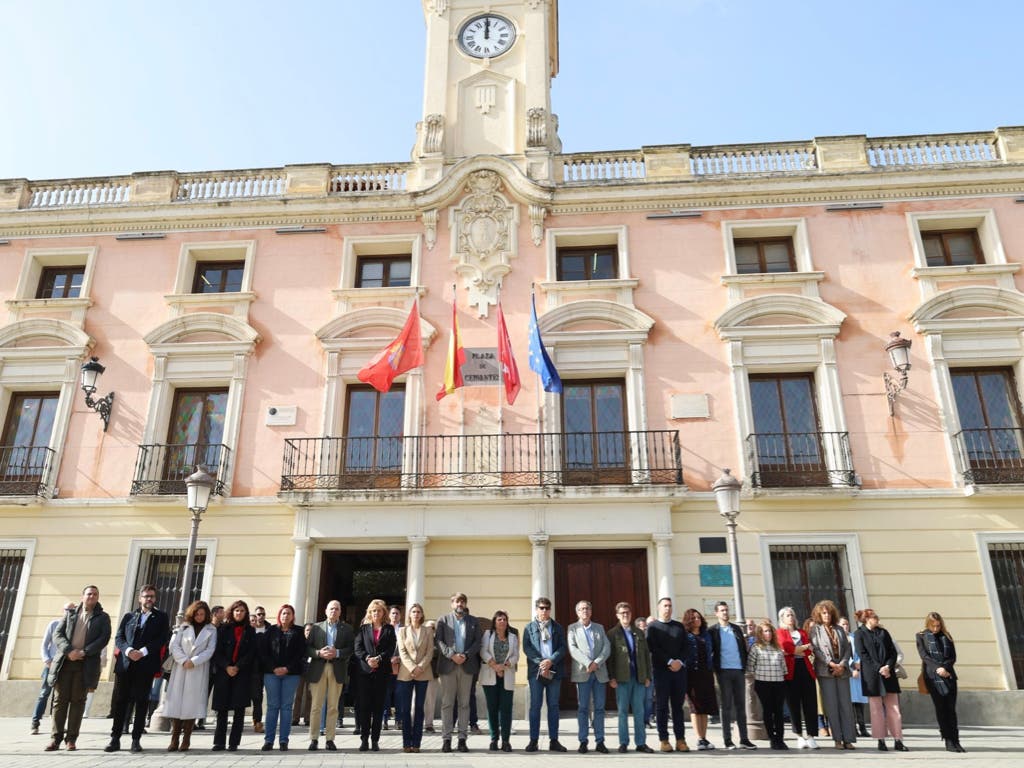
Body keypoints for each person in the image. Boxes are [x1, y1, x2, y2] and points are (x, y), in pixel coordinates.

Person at [105, 584, 170, 753]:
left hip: (146, 665)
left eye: (152, 596)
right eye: (146, 596)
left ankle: (136, 739)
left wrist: (143, 652)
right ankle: (115, 738)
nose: (149, 599)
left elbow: (162, 638)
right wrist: (128, 651)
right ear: (140, 598)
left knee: (141, 702)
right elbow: (119, 637)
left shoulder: (161, 617)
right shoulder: (129, 616)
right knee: (121, 701)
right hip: (126, 665)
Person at [46, 586, 111, 751]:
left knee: (78, 701)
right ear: (83, 596)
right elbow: (57, 634)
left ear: (98, 597)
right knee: (59, 701)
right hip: (65, 662)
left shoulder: (103, 617)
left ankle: (71, 739)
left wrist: (84, 652)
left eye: (95, 594)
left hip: (85, 665)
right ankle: (55, 739)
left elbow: (104, 638)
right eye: (89, 593)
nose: (92, 596)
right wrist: (69, 651)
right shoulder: (70, 614)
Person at [163, 600, 216, 752]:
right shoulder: (184, 627)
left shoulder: (211, 629)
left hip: (197, 670)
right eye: (197, 614)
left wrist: (194, 661)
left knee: (191, 706)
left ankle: (186, 739)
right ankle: (174, 739)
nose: (199, 617)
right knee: (176, 704)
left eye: (202, 614)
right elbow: (175, 646)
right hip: (181, 669)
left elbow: (210, 650)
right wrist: (183, 660)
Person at [852, 608, 906, 752]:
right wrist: (879, 668)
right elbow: (862, 654)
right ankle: (881, 740)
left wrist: (888, 666)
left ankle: (898, 740)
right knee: (876, 710)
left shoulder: (884, 632)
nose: (877, 619)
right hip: (872, 676)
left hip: (888, 674)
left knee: (894, 709)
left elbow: (893, 652)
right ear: (867, 619)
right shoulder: (859, 634)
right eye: (874, 617)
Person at [435, 591, 482, 753]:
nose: (459, 604)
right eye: (457, 601)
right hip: (448, 666)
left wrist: (466, 655)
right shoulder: (443, 620)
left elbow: (478, 642)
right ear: (452, 604)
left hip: (467, 666)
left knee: (464, 704)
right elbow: (438, 641)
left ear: (465, 604)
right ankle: (446, 739)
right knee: (447, 703)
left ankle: (462, 739)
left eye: (462, 601)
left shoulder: (473, 621)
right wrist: (452, 655)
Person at [305, 599, 354, 751]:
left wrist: (337, 652)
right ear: (326, 611)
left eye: (337, 609)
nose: (334, 611)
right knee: (316, 706)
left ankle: (330, 739)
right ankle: (314, 739)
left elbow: (351, 649)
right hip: (318, 668)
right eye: (331, 608)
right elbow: (307, 648)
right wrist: (319, 653)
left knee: (333, 706)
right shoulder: (316, 628)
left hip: (336, 668)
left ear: (340, 612)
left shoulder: (347, 629)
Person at [522, 596, 568, 752]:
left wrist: (551, 661)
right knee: (535, 706)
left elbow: (563, 647)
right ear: (536, 609)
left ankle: (554, 740)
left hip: (554, 671)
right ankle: (533, 741)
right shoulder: (529, 628)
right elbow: (527, 648)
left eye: (547, 608)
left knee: (553, 706)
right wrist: (541, 662)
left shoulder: (557, 627)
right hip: (536, 672)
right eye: (541, 608)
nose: (544, 611)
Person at [809, 599, 856, 749]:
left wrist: (842, 664)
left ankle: (848, 739)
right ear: (819, 615)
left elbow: (848, 649)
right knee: (832, 706)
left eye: (829, 613)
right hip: (826, 671)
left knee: (846, 705)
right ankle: (837, 739)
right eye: (824, 613)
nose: (827, 615)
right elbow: (816, 649)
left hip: (842, 670)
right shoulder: (815, 630)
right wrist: (830, 663)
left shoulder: (839, 629)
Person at [647, 596, 692, 752]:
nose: (668, 608)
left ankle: (680, 740)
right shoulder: (652, 627)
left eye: (670, 606)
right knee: (662, 707)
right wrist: (669, 661)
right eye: (665, 606)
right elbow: (653, 648)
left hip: (679, 672)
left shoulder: (679, 627)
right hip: (661, 671)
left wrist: (679, 661)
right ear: (659, 608)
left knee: (678, 707)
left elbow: (686, 647)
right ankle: (664, 740)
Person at [607, 601, 653, 753]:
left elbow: (646, 655)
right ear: (617, 615)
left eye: (627, 612)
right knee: (622, 712)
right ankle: (623, 742)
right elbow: (610, 658)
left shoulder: (639, 632)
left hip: (639, 677)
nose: (625, 615)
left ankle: (641, 743)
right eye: (622, 613)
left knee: (639, 711)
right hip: (621, 679)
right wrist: (611, 677)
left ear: (631, 614)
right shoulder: (612, 634)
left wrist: (648, 676)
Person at [259, 604, 306, 751]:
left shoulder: (299, 631)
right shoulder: (271, 630)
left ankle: (284, 741)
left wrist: (287, 668)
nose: (285, 616)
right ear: (279, 615)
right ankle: (269, 741)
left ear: (293, 616)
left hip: (291, 674)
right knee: (272, 706)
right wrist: (274, 668)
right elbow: (264, 652)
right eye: (283, 613)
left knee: (286, 707)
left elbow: (301, 653)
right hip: (271, 673)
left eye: (288, 613)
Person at [211, 600, 256, 751]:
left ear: (246, 613)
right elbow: (216, 651)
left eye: (242, 611)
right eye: (237, 610)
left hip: (241, 673)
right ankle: (219, 742)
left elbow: (251, 653)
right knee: (222, 709)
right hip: (224, 672)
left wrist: (237, 666)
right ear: (232, 612)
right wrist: (227, 666)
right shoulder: (223, 629)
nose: (239, 613)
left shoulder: (250, 630)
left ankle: (234, 742)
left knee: (239, 709)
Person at [710, 601, 756, 750]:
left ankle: (744, 739)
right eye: (722, 610)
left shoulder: (736, 629)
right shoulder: (713, 631)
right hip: (723, 671)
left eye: (726, 610)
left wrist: (745, 666)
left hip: (738, 670)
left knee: (741, 705)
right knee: (726, 706)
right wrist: (715, 669)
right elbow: (711, 651)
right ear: (716, 613)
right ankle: (727, 740)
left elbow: (743, 648)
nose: (725, 612)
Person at [916, 611, 964, 753]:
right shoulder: (921, 636)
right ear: (928, 624)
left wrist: (945, 668)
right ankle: (948, 740)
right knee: (941, 709)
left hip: (948, 675)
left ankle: (956, 740)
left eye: (938, 626)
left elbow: (953, 657)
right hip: (933, 677)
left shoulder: (947, 636)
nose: (936, 628)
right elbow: (924, 656)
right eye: (933, 626)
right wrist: (938, 668)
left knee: (951, 710)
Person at [567, 599, 610, 753]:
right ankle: (583, 741)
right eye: (581, 609)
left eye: (587, 608)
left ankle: (600, 741)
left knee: (599, 708)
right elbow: (573, 649)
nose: (584, 611)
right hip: (582, 673)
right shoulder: (572, 628)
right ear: (577, 612)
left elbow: (607, 647)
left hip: (599, 673)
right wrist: (588, 663)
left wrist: (596, 663)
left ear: (591, 612)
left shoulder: (600, 628)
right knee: (583, 708)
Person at [354, 598, 397, 751]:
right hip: (365, 673)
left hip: (382, 672)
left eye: (379, 611)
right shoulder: (363, 629)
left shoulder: (389, 629)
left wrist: (378, 658)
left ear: (383, 613)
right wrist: (368, 658)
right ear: (369, 613)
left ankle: (375, 740)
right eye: (373, 611)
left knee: (378, 708)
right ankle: (364, 739)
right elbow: (358, 648)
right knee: (365, 707)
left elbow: (391, 648)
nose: (376, 613)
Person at [777, 606, 819, 749]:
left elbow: (809, 651)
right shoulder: (780, 632)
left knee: (810, 703)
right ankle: (799, 735)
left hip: (805, 669)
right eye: (787, 615)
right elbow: (786, 648)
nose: (791, 617)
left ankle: (811, 736)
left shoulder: (802, 632)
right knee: (793, 704)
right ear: (782, 618)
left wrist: (797, 650)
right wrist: (803, 648)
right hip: (790, 671)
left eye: (792, 615)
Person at [396, 603, 434, 752]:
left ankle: (416, 743)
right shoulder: (402, 631)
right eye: (413, 612)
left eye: (418, 612)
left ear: (422, 614)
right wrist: (413, 668)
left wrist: (420, 667)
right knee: (405, 709)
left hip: (423, 673)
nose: (416, 614)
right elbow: (402, 652)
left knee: (419, 708)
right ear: (409, 614)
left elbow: (430, 652)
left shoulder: (428, 631)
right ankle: (406, 743)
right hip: (406, 673)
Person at [32, 602, 75, 735]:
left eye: (73, 610)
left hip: (65, 666)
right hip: (51, 665)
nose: (69, 612)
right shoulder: (54, 624)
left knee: (62, 697)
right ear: (63, 610)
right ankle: (35, 722)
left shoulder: (75, 627)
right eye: (67, 610)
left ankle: (58, 725)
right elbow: (44, 645)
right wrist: (47, 660)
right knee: (44, 693)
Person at [480, 608, 519, 752]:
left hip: (507, 675)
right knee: (492, 709)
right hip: (490, 675)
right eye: (499, 619)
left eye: (504, 619)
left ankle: (506, 741)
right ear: (495, 622)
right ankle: (494, 739)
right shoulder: (488, 634)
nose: (502, 621)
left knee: (506, 709)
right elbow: (483, 651)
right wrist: (495, 666)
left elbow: (516, 655)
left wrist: (504, 666)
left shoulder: (513, 637)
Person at [747, 619, 788, 750]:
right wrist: (759, 674)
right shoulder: (756, 647)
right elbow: (750, 666)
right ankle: (772, 738)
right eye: (765, 631)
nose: (768, 633)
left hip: (779, 682)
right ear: (760, 633)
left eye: (770, 631)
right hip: (763, 683)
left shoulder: (778, 648)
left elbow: (784, 668)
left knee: (779, 711)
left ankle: (780, 739)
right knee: (768, 710)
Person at [682, 608, 718, 750]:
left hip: (706, 673)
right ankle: (699, 739)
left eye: (698, 617)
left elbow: (713, 651)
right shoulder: (686, 635)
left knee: (704, 707)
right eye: (694, 618)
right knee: (695, 707)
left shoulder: (706, 634)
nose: (697, 620)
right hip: (692, 674)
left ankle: (704, 738)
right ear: (689, 620)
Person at [841, 616, 869, 737]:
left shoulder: (854, 637)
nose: (845, 626)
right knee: (849, 702)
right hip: (846, 672)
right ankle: (852, 728)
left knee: (859, 702)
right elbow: (843, 655)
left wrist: (858, 666)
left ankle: (862, 727)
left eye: (847, 624)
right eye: (842, 624)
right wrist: (852, 666)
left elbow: (861, 651)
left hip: (859, 673)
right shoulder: (838, 638)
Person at [249, 605, 269, 734]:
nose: (261, 616)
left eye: (263, 614)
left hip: (263, 668)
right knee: (252, 696)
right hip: (249, 667)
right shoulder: (249, 630)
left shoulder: (270, 629)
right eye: (258, 614)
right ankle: (254, 720)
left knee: (258, 696)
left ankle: (257, 722)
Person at [383, 604, 403, 730]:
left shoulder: (404, 629)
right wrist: (388, 659)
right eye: (393, 613)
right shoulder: (384, 628)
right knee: (385, 694)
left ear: (400, 615)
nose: (395, 615)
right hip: (386, 666)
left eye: (397, 613)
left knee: (399, 695)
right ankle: (384, 720)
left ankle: (398, 720)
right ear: (389, 615)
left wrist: (399, 658)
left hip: (401, 667)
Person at [634, 615, 654, 727]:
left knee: (648, 698)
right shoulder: (633, 640)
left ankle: (646, 720)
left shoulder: (650, 640)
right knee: (638, 698)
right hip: (637, 673)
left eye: (646, 626)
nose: (645, 629)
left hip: (650, 672)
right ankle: (639, 720)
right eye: (643, 627)